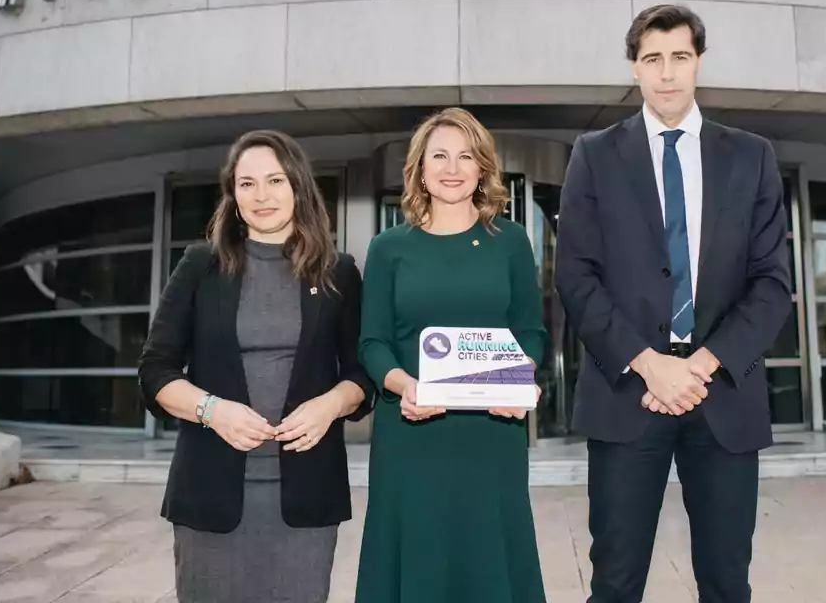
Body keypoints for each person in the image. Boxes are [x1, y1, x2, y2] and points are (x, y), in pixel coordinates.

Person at [554, 4, 792, 603]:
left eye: (679, 58)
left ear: (699, 64)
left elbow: (772, 284)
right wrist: (649, 362)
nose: (667, 73)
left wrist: (702, 363)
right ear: (634, 68)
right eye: (652, 59)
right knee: (614, 581)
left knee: (726, 581)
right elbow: (575, 276)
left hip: (724, 398)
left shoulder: (752, 156)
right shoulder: (594, 154)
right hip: (627, 393)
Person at [137, 129, 374, 603]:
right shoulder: (200, 265)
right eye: (247, 184)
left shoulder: (338, 271)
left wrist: (330, 405)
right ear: (232, 193)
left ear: (298, 187)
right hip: (211, 494)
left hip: (305, 498)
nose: (261, 195)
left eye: (275, 181)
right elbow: (155, 370)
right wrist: (211, 409)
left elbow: (361, 375)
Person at [354, 107, 548, 603]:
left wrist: (520, 379)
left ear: (483, 167)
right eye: (439, 155)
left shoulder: (511, 244)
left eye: (465, 156)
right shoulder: (388, 248)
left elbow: (530, 331)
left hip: (491, 432)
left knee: (489, 561)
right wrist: (402, 385)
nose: (452, 167)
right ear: (420, 168)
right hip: (412, 432)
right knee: (416, 559)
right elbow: (373, 342)